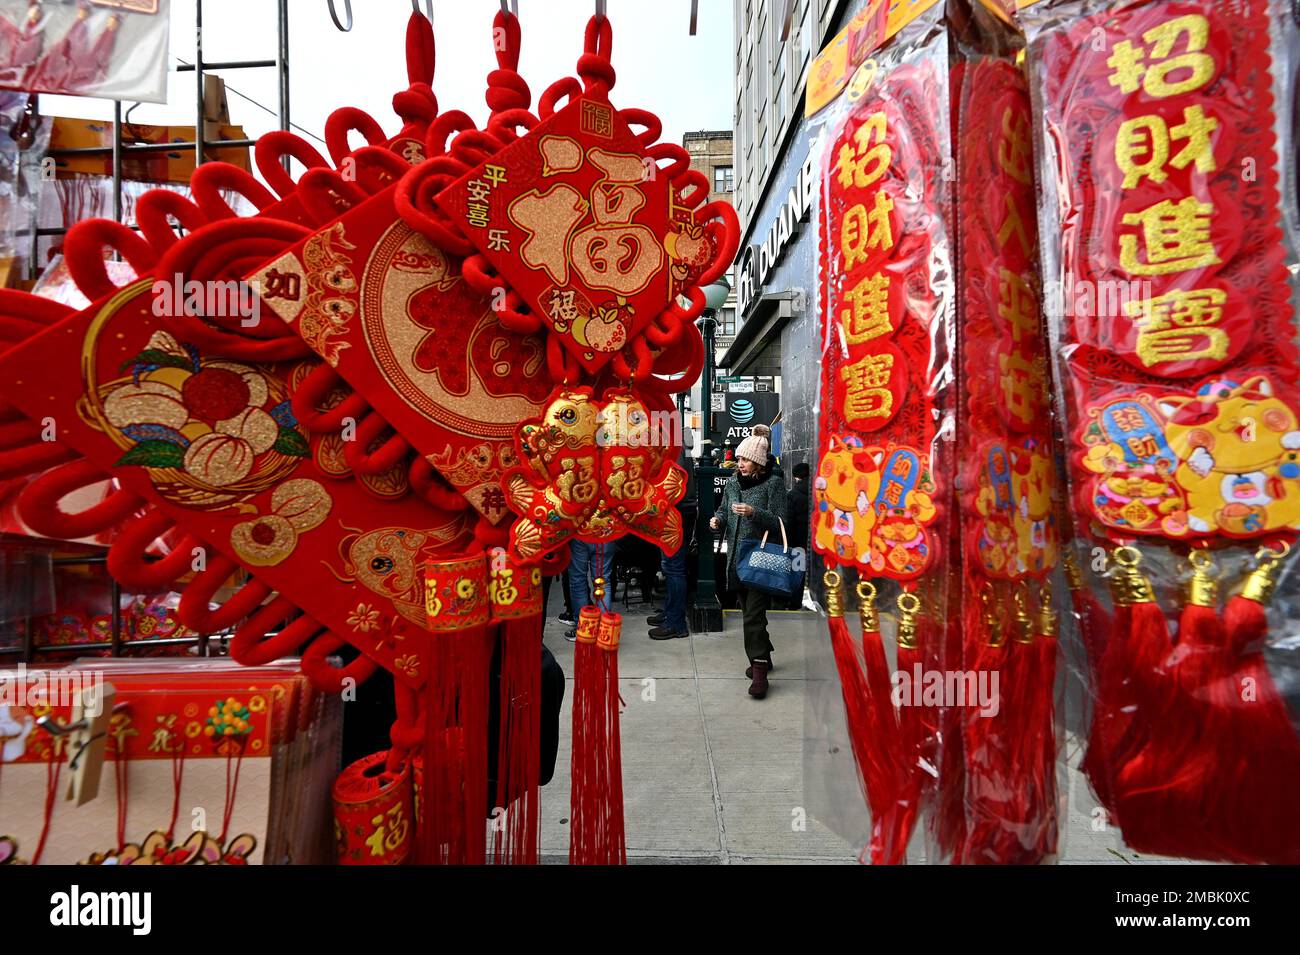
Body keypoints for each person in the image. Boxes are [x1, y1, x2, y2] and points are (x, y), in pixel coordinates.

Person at [710, 424, 787, 699]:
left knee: (753, 614)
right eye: (739, 459)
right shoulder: (732, 483)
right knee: (749, 612)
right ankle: (764, 654)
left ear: (758, 462)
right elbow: (722, 510)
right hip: (735, 560)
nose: (739, 463)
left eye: (744, 460)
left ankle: (759, 670)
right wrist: (718, 520)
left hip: (760, 559)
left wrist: (755, 512)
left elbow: (781, 522)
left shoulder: (774, 484)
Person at [564, 538, 617, 641]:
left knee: (578, 581)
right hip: (606, 531)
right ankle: (604, 630)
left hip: (579, 532)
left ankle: (584, 629)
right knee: (602, 582)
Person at [785, 461, 810, 609]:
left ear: (796, 477)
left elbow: (790, 522)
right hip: (814, 541)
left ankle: (795, 602)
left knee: (797, 572)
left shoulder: (793, 495)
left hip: (798, 543)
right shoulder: (818, 492)